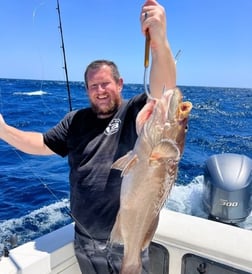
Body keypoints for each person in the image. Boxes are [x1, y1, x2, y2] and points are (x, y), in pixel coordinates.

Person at [0, 0, 176, 273]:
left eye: (105, 83)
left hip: (125, 239)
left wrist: (159, 42)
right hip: (84, 240)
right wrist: (3, 129)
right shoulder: (75, 121)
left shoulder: (134, 112)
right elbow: (41, 144)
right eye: (93, 86)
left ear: (119, 84)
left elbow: (163, 90)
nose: (100, 90)